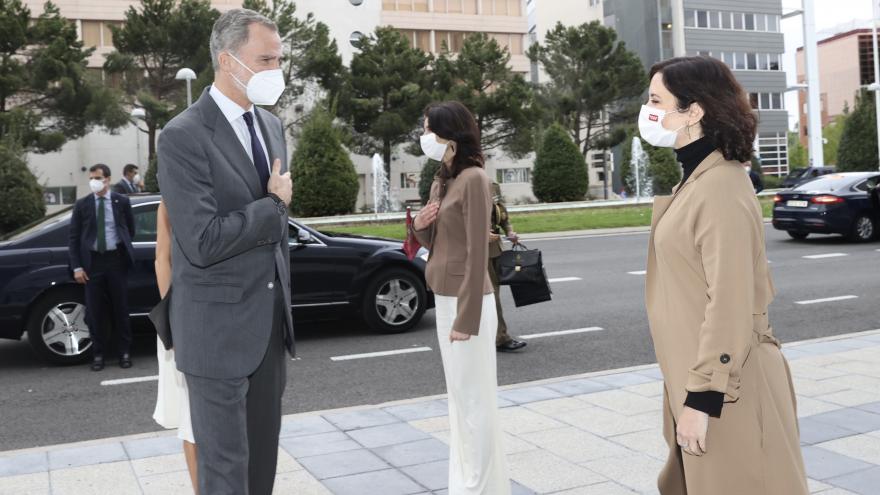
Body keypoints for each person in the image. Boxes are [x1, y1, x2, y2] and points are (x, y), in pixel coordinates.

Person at [639, 56, 808, 494]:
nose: (648, 110)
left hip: (726, 391)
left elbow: (729, 299)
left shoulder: (721, 185)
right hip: (701, 380)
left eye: (656, 100)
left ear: (693, 111)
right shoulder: (698, 179)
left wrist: (703, 398)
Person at [156, 9, 294, 495]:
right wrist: (274, 203)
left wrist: (273, 210)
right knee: (225, 473)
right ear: (227, 60)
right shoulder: (182, 135)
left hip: (268, 328)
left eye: (280, 58)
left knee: (261, 469)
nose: (277, 69)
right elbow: (202, 239)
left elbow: (274, 233)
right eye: (266, 58)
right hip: (215, 334)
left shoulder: (273, 127)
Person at [412, 101, 510, 495]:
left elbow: (475, 251)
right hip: (445, 295)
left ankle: (482, 486)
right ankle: (466, 483)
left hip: (469, 303)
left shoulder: (474, 179)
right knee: (459, 402)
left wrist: (466, 320)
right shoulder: (443, 180)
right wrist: (419, 226)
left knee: (475, 404)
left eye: (427, 128)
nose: (423, 136)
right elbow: (438, 242)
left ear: (449, 134)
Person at [68, 163, 135, 371]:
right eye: (91, 178)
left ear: (107, 179)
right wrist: (77, 267)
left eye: (97, 178)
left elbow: (129, 230)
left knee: (121, 309)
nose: (93, 182)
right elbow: (74, 238)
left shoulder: (121, 201)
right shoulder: (82, 204)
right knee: (95, 312)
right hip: (92, 264)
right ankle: (98, 354)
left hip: (115, 261)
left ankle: (124, 352)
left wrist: (122, 251)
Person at [152, 200, 198, 493]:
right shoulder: (168, 201)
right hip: (186, 319)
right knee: (192, 419)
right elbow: (161, 259)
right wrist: (174, 322)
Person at [488, 182, 526, 352]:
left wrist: (510, 232)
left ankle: (494, 336)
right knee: (491, 296)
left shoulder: (491, 185)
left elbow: (503, 217)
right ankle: (500, 338)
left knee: (492, 295)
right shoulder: (463, 185)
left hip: (495, 249)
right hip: (476, 252)